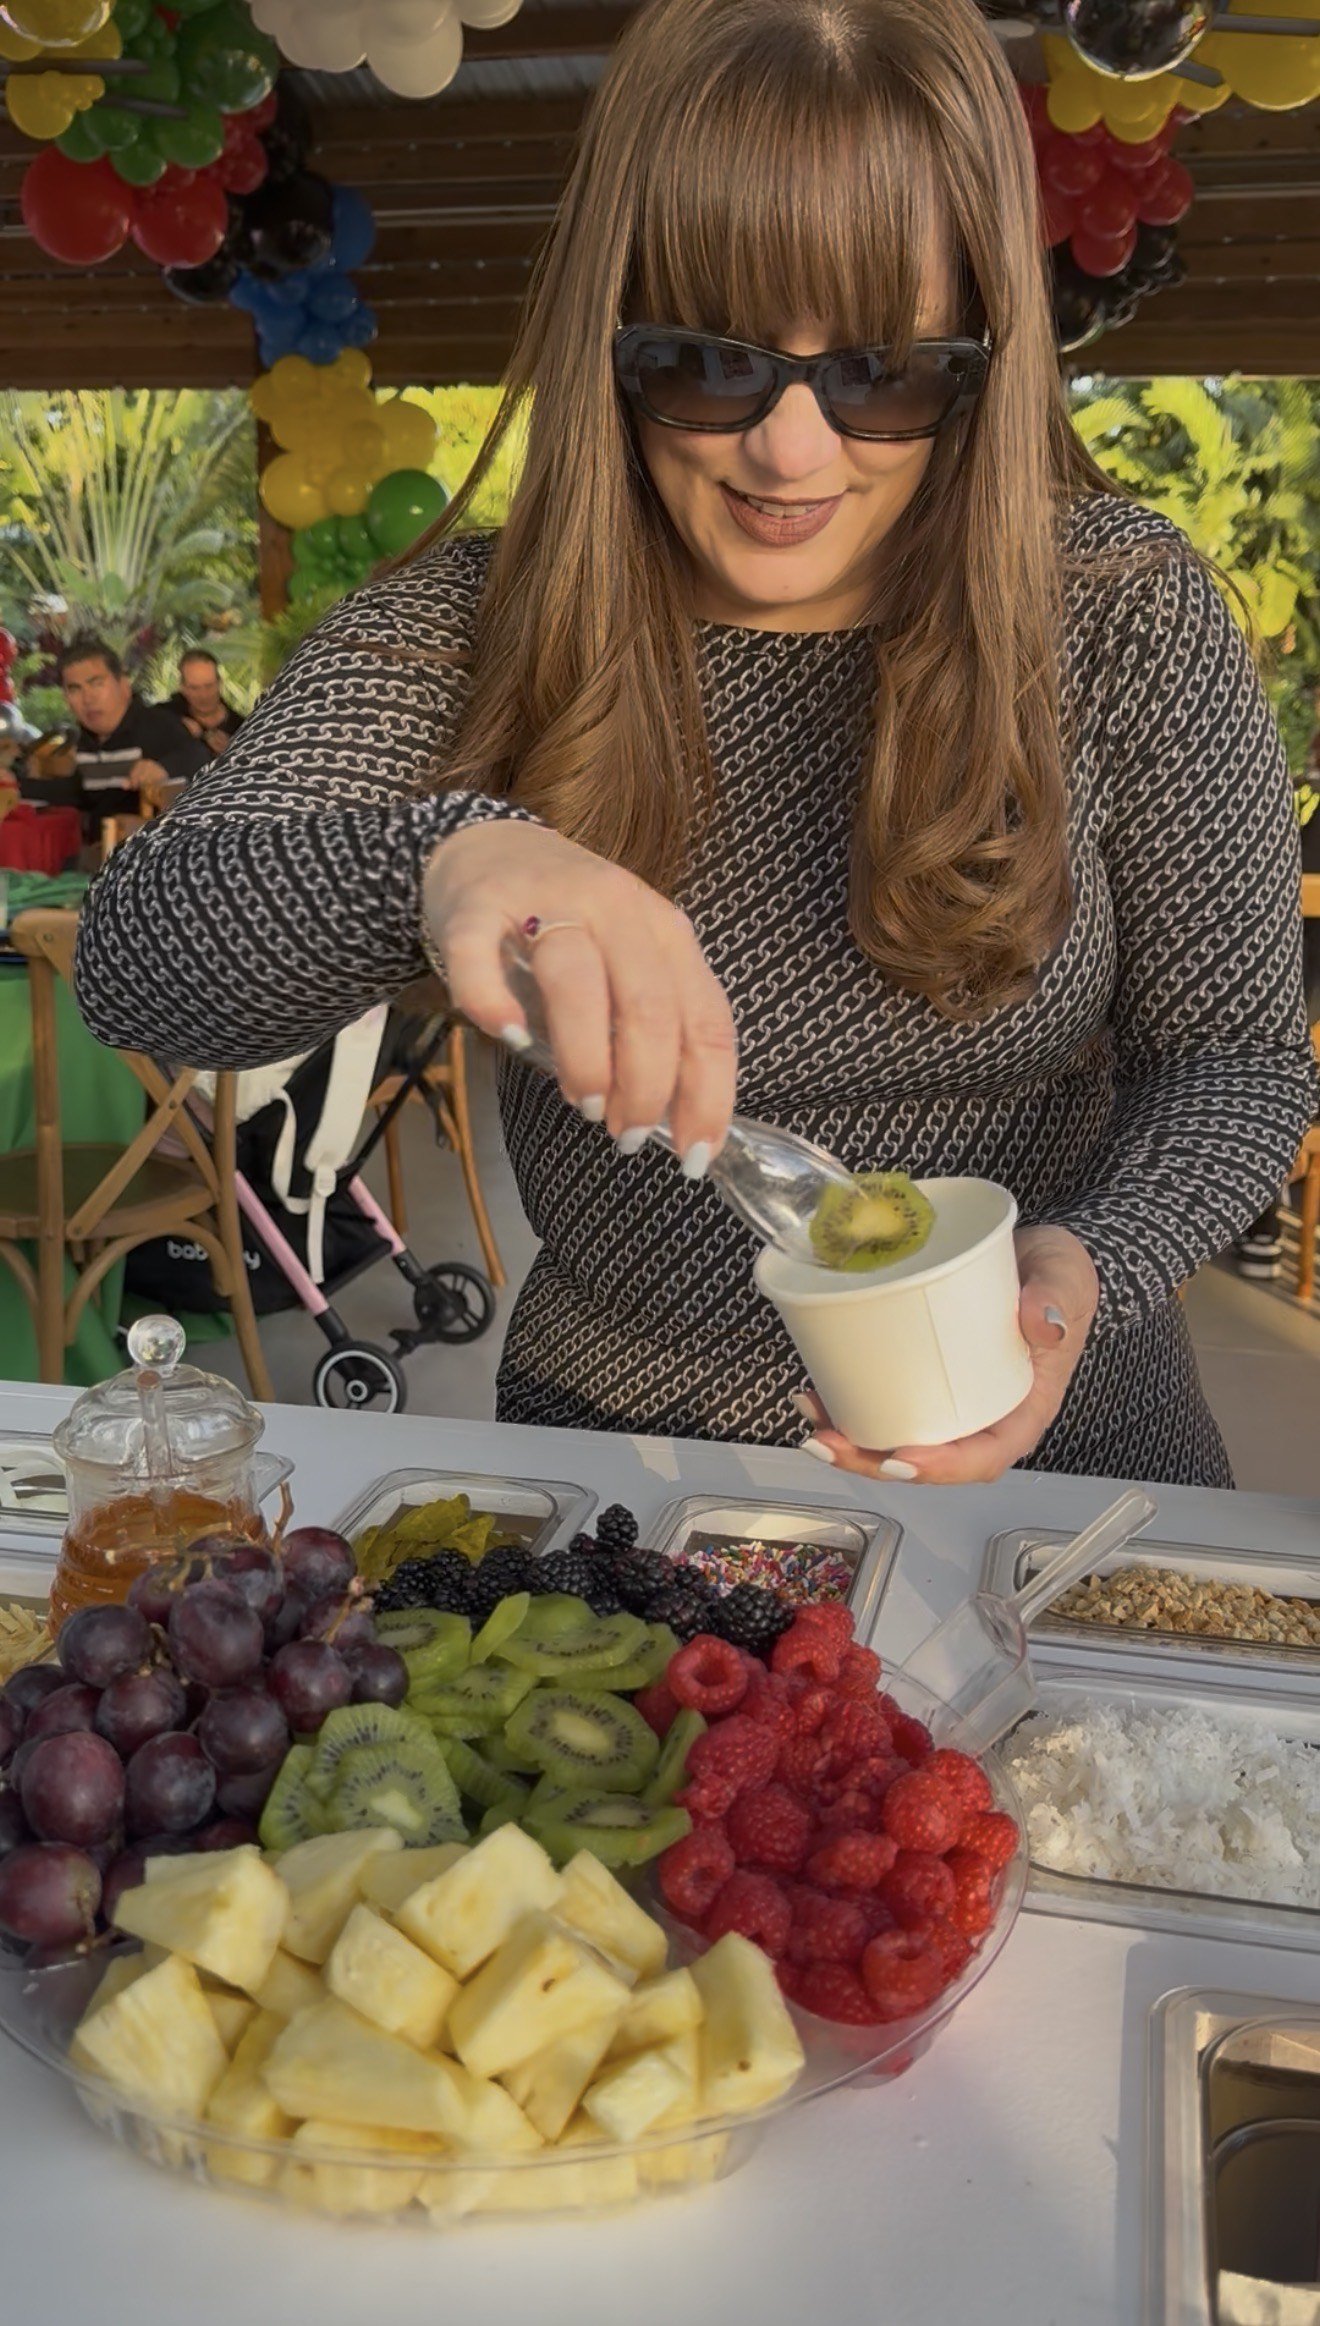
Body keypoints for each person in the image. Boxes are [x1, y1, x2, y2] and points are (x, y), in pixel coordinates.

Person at [75, 0, 1314, 1490]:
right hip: (622, 1468)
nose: (790, 452)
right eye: (706, 363)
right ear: (608, 342)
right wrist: (448, 857)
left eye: (886, 374)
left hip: (1073, 1457)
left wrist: (1083, 1275)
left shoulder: (1115, 611)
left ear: (988, 351)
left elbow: (1238, 1062)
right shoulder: (477, 623)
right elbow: (143, 960)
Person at [58, 638, 210, 825]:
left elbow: (199, 756)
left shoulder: (156, 724)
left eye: (97, 684)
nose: (88, 698)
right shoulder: (84, 742)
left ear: (123, 685)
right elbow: (74, 797)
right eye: (75, 689)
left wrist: (163, 768)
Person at [169, 648, 245, 757]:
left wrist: (233, 750)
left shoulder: (241, 727)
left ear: (220, 683)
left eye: (209, 686)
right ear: (183, 688)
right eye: (194, 688)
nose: (203, 695)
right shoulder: (169, 713)